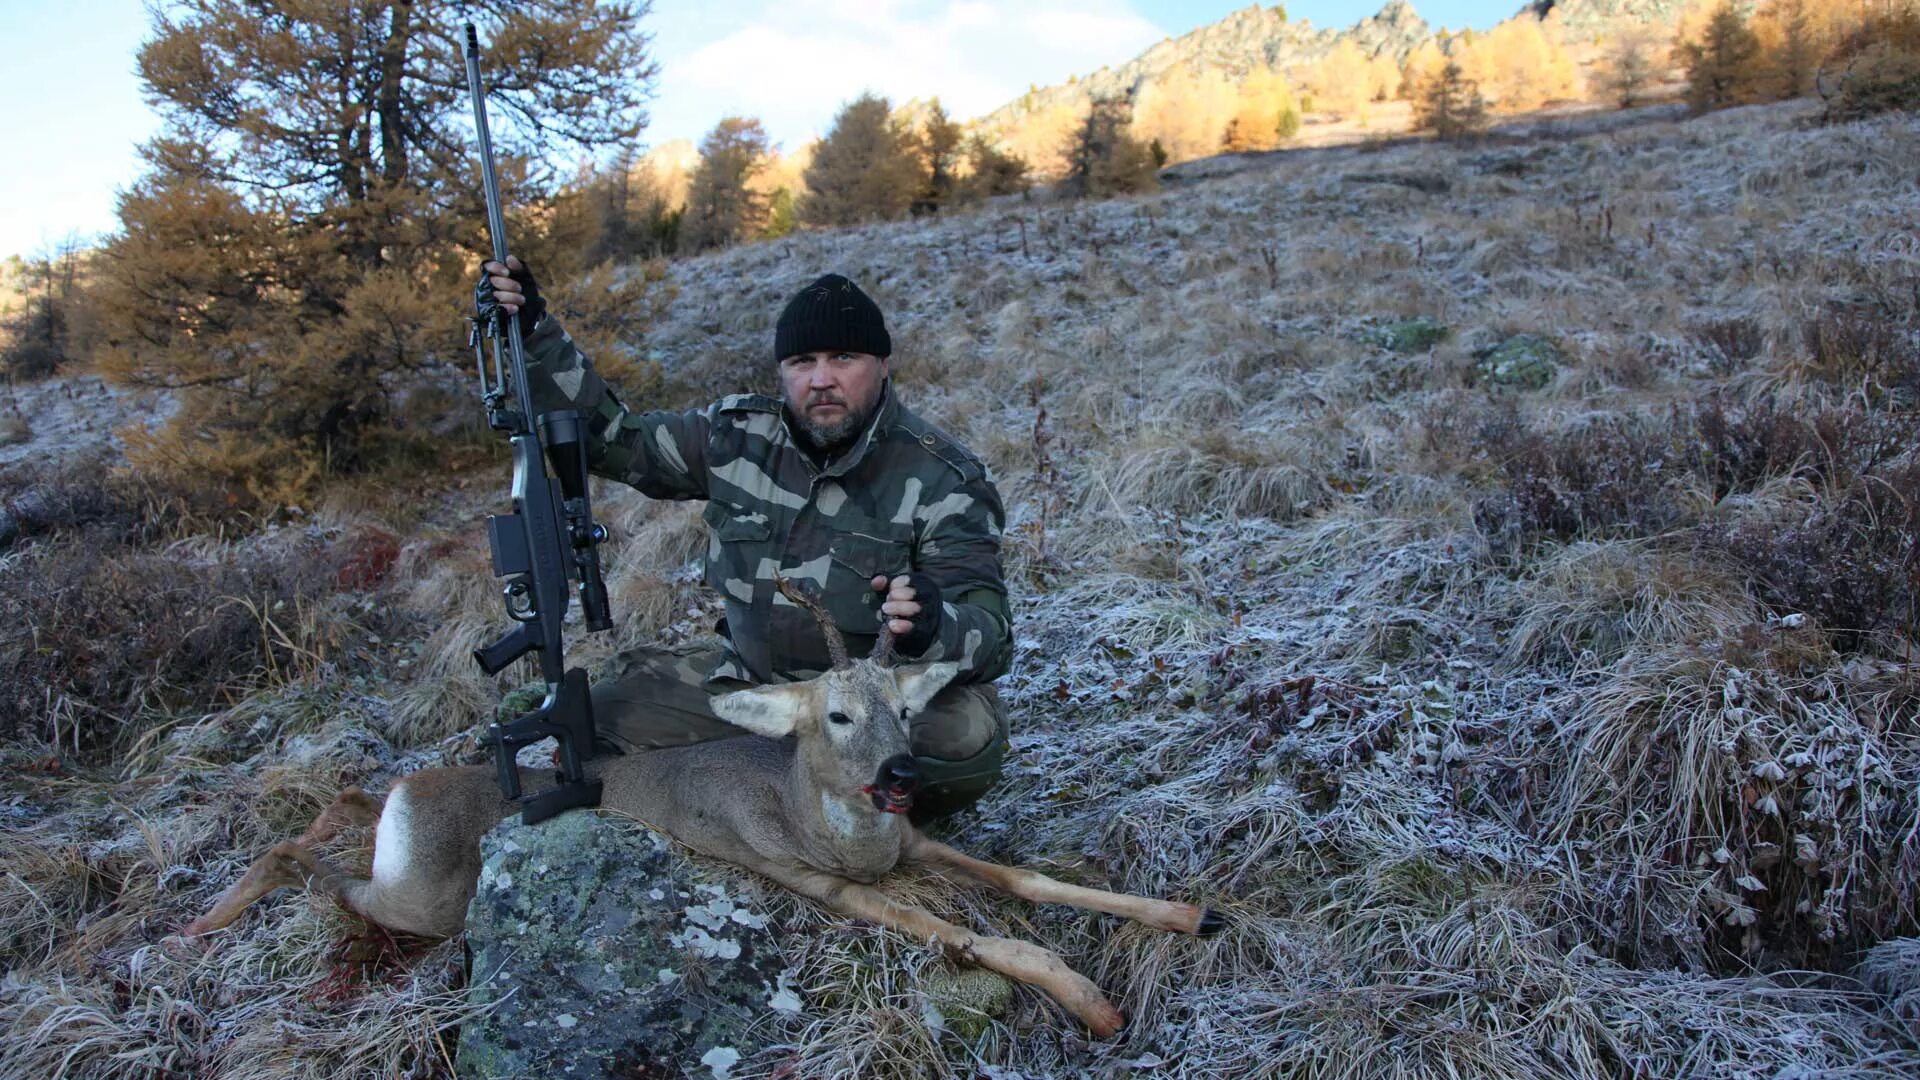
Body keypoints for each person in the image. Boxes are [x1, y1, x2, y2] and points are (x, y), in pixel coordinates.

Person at [475, 261, 1013, 817]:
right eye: (803, 362)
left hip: (874, 706)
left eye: (843, 358)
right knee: (596, 719)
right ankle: (766, 783)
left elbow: (992, 637)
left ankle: (864, 821)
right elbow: (614, 439)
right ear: (783, 372)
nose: (821, 379)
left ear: (881, 364)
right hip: (755, 689)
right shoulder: (734, 438)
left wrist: (932, 624)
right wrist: (535, 332)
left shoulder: (944, 478)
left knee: (963, 739)